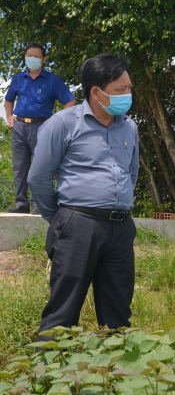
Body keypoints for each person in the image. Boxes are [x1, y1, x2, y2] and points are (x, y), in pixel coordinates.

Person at [27, 53, 139, 337]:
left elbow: (131, 174)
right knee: (63, 313)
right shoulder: (63, 124)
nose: (128, 94)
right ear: (96, 92)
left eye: (129, 88)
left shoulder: (129, 126)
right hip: (78, 226)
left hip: (121, 228)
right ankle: (49, 377)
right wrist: (63, 218)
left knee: (118, 316)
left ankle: (114, 377)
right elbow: (39, 178)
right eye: (120, 90)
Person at [4, 43, 75, 214]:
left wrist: (56, 121)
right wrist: (9, 116)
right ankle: (21, 204)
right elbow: (8, 100)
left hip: (42, 127)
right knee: (19, 167)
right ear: (25, 57)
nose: (32, 59)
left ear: (43, 60)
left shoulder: (53, 80)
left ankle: (38, 205)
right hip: (19, 126)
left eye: (36, 56)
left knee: (41, 167)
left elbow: (70, 101)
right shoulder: (18, 79)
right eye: (29, 55)